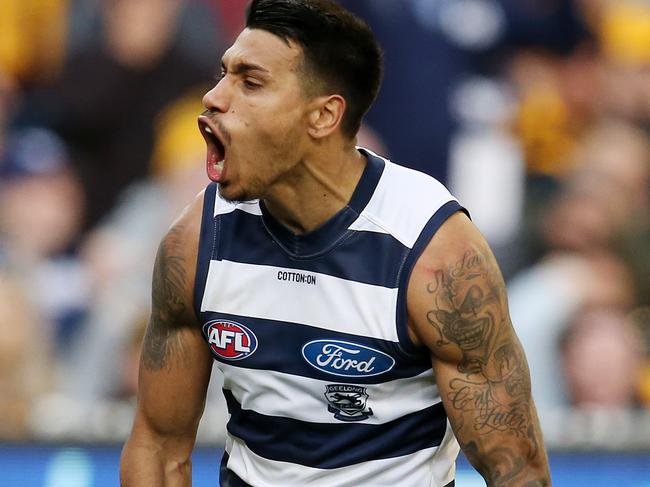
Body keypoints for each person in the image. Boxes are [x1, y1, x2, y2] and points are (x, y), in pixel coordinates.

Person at [120, 1, 551, 485]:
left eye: (251, 82)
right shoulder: (195, 240)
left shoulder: (435, 255)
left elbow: (516, 471)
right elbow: (157, 448)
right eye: (223, 75)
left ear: (324, 115)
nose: (214, 97)